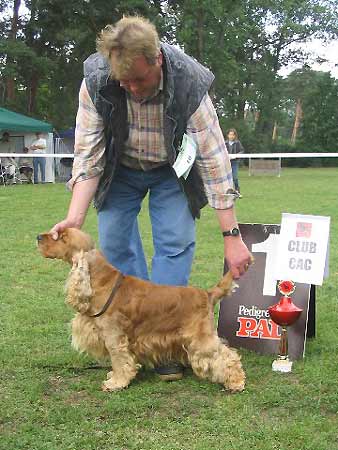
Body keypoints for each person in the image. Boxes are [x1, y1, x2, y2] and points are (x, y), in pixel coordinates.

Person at [51, 16, 252, 380]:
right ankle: (130, 339)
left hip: (171, 169)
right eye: (122, 81)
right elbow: (88, 155)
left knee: (174, 243)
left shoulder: (190, 83)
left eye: (138, 80)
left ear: (157, 59)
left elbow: (214, 160)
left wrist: (232, 238)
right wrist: (74, 219)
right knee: (114, 244)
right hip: (119, 168)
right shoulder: (97, 80)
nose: (129, 88)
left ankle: (170, 343)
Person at [225, 128, 244, 197]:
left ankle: (237, 191)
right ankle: (228, 191)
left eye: (233, 135)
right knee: (226, 177)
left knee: (235, 177)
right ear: (228, 135)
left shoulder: (237, 143)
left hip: (235, 162)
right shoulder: (225, 143)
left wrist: (236, 156)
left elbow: (242, 151)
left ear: (235, 136)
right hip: (227, 163)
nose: (231, 136)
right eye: (230, 134)